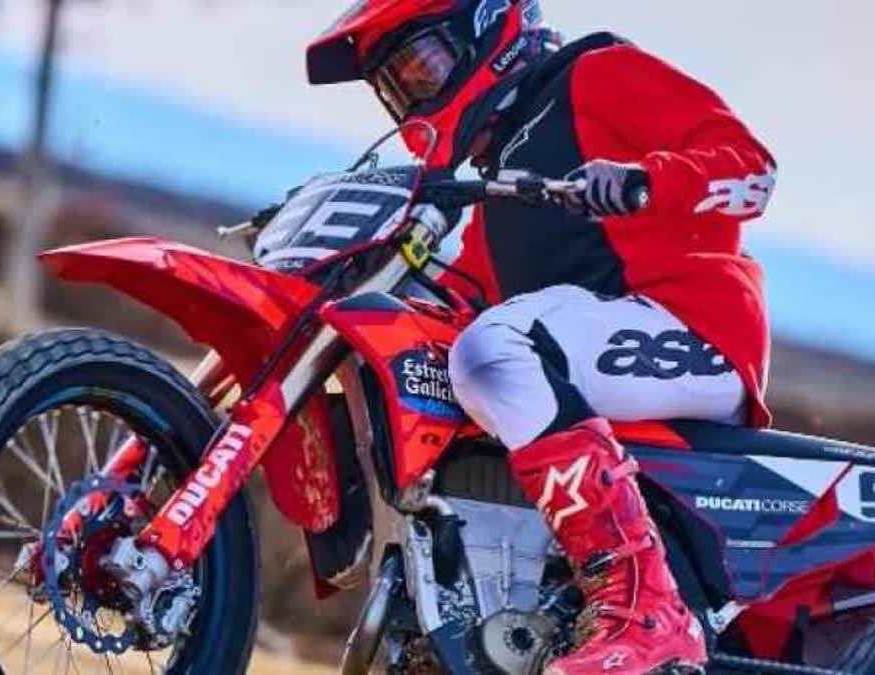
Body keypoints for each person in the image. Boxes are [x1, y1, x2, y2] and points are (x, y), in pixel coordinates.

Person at [308, 1, 776, 673]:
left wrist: (645, 180)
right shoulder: (501, 188)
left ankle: (646, 606)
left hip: (695, 329)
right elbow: (466, 294)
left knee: (491, 352)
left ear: (486, 27)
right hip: (610, 351)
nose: (413, 98)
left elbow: (752, 171)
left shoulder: (599, 73)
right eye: (397, 88)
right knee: (437, 352)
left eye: (422, 68)